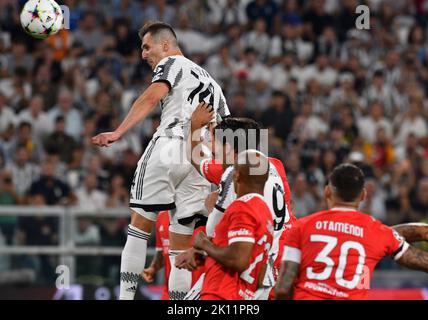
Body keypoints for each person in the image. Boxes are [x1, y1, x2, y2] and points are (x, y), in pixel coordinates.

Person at [91, 21, 230, 300]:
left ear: (165, 45)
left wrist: (119, 131)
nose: (143, 54)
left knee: (139, 226)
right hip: (199, 159)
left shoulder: (172, 63)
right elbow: (225, 133)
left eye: (146, 46)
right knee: (179, 245)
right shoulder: (214, 84)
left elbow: (151, 96)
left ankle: (127, 298)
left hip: (170, 143)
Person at [177, 103, 295, 300]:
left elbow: (212, 233)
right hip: (275, 265)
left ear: (229, 147)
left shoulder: (232, 174)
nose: (211, 149)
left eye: (214, 144)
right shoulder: (275, 165)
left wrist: (195, 126)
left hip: (243, 268)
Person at [275, 163, 428, 300]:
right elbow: (419, 259)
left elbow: (283, 289)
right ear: (363, 195)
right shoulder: (376, 231)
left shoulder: (302, 226)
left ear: (327, 192)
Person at [193, 150, 274, 300]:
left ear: (236, 175)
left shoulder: (243, 206)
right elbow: (260, 270)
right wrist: (206, 255)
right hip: (243, 295)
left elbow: (238, 259)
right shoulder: (266, 214)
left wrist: (204, 244)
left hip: (221, 293)